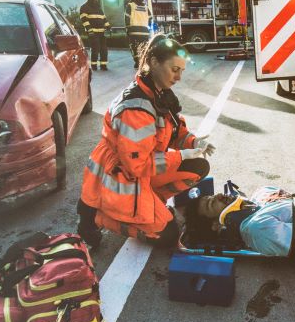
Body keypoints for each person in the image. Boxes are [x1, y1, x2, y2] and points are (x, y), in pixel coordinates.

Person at [76, 34, 216, 248]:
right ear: (153, 62)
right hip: (120, 178)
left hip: (140, 172)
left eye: (182, 71)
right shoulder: (136, 108)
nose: (178, 77)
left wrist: (194, 143)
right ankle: (95, 215)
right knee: (169, 236)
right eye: (174, 69)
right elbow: (137, 165)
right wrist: (180, 155)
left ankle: (150, 201)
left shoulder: (158, 94)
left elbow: (175, 132)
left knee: (198, 166)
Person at [79, 0, 111, 71]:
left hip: (101, 32)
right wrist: (89, 30)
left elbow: (104, 18)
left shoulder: (98, 7)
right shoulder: (84, 7)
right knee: (95, 49)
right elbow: (84, 20)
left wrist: (108, 27)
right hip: (93, 33)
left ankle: (103, 65)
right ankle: (94, 66)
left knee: (104, 49)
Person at [125, 0, 150, 69]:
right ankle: (143, 62)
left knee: (134, 47)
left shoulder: (130, 5)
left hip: (134, 31)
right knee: (144, 47)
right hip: (145, 32)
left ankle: (137, 63)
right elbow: (150, 18)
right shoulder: (146, 7)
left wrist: (127, 28)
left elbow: (127, 18)